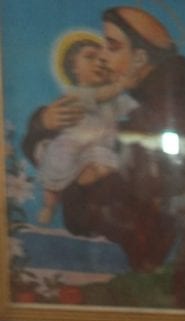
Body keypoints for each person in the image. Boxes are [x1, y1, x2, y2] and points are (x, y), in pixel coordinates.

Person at [19, 6, 185, 273]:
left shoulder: (169, 103)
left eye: (112, 47)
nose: (103, 59)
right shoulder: (138, 94)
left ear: (140, 58)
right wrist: (43, 121)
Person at [30, 36, 135, 225]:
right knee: (55, 169)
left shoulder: (114, 99)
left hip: (98, 145)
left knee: (105, 166)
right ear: (74, 68)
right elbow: (101, 95)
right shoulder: (75, 92)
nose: (99, 63)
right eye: (90, 57)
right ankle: (49, 206)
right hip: (71, 144)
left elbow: (132, 107)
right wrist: (120, 84)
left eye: (104, 61)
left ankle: (86, 190)